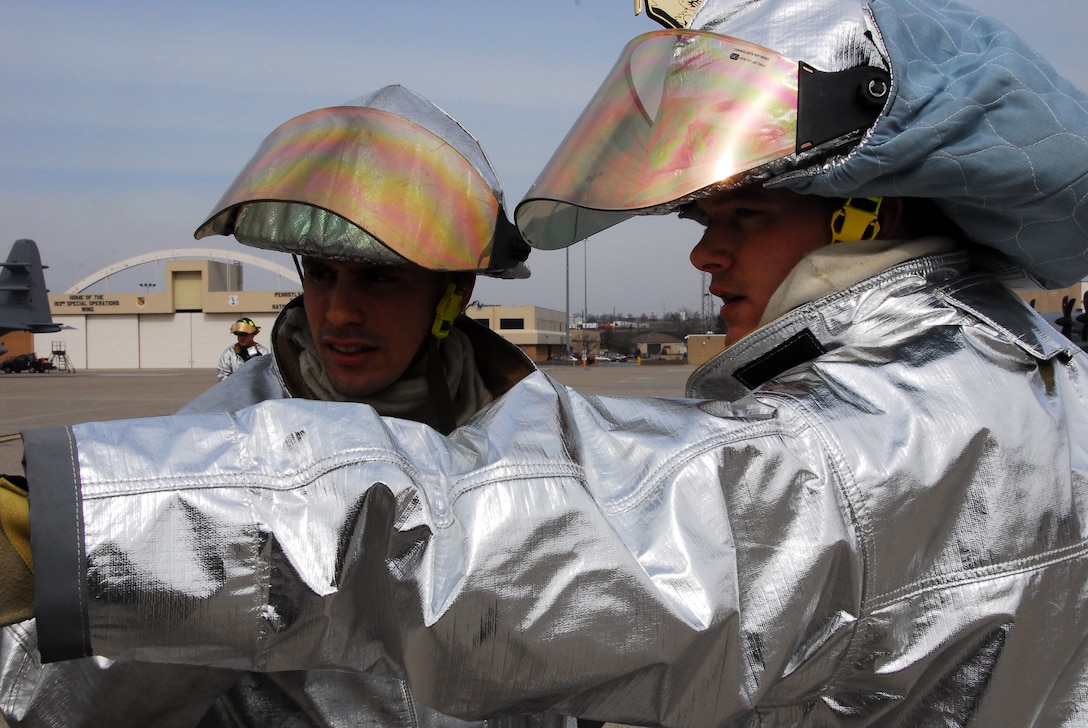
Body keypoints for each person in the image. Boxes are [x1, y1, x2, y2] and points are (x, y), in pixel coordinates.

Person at [6, 0, 1088, 725]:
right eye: (316, 275)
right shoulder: (1042, 376)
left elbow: (461, 541)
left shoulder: (830, 450)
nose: (702, 251)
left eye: (740, 213)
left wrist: (62, 520)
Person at [0, 84, 540, 727]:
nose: (339, 311)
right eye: (320, 271)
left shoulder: (533, 437)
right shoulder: (216, 444)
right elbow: (51, 693)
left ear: (454, 291)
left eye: (378, 276)